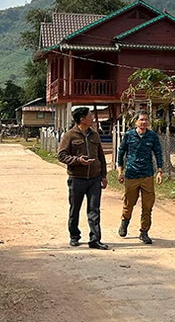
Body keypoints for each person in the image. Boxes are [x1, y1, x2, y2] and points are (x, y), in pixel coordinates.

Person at [57, 107, 109, 250]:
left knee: (94, 210)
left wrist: (104, 176)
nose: (92, 118)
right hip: (77, 179)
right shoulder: (69, 135)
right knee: (75, 209)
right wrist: (78, 160)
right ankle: (74, 236)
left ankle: (95, 239)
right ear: (82, 119)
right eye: (90, 115)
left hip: (94, 178)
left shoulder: (95, 135)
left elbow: (101, 156)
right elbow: (61, 156)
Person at [117, 110, 163, 244]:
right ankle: (125, 222)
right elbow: (121, 153)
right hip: (131, 174)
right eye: (141, 119)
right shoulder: (129, 135)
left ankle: (144, 232)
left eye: (146, 120)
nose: (144, 122)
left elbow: (158, 153)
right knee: (129, 203)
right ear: (136, 121)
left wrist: (159, 171)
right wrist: (120, 171)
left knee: (147, 206)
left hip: (147, 175)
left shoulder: (152, 136)